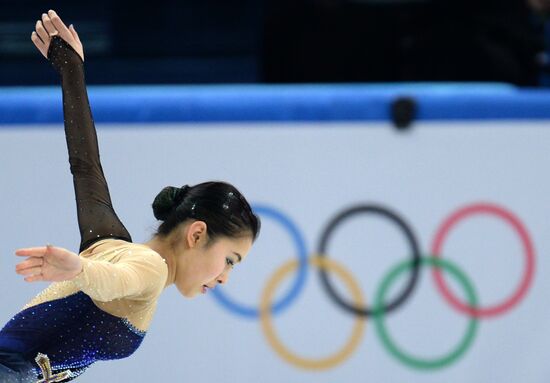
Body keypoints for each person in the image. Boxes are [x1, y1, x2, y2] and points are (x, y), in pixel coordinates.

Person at [0, 10, 260, 382]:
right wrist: (82, 270)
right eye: (230, 260)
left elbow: (86, 166)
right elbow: (116, 279)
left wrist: (71, 70)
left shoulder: (111, 241)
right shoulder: (150, 268)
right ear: (197, 234)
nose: (225, 278)